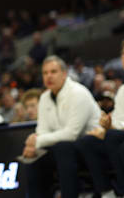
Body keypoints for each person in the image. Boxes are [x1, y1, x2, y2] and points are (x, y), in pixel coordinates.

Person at [21, 55, 101, 198]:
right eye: (45, 73)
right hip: (64, 149)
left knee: (63, 148)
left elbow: (72, 134)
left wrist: (38, 141)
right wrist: (34, 146)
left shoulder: (78, 93)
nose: (49, 76)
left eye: (53, 72)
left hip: (92, 147)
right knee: (33, 158)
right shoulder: (45, 98)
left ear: (64, 74)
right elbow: (42, 130)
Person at [74, 40, 124, 197]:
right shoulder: (123, 89)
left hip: (119, 136)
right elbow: (118, 120)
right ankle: (107, 192)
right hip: (119, 135)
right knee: (88, 141)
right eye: (123, 53)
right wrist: (106, 126)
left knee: (112, 138)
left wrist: (113, 129)